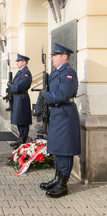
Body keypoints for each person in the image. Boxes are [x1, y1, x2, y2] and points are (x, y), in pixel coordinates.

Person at [39, 43, 80, 198]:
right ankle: (57, 179)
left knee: (65, 150)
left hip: (65, 114)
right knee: (57, 149)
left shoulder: (69, 73)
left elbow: (63, 94)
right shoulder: (57, 73)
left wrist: (46, 96)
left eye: (55, 55)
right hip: (56, 114)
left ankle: (63, 184)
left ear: (64, 56)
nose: (52, 58)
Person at [8, 54, 32, 149]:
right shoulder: (20, 72)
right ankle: (20, 138)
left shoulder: (26, 73)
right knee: (19, 119)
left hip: (22, 97)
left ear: (24, 62)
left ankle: (23, 139)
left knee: (23, 119)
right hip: (17, 98)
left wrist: (11, 86)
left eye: (19, 61)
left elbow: (20, 87)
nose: (17, 63)